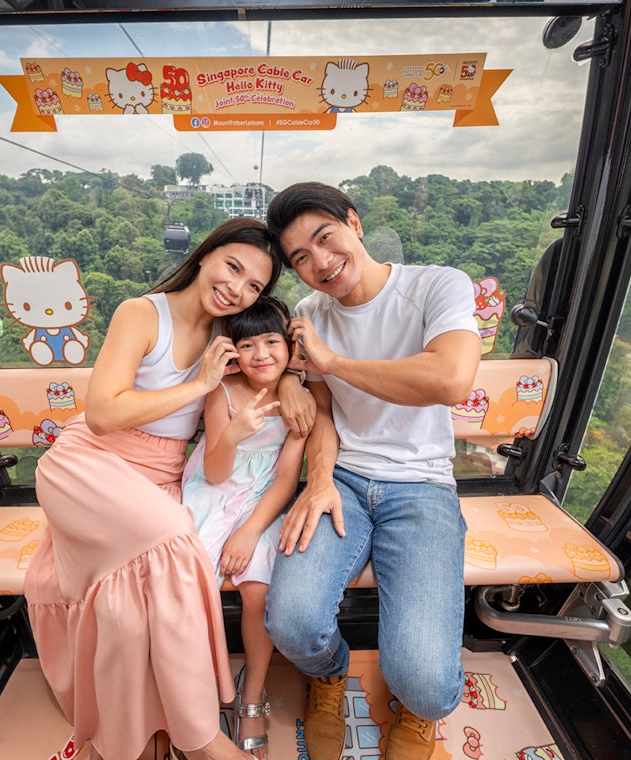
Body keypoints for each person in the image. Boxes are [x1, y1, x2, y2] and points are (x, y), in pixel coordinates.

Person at [24, 217, 312, 760]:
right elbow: (102, 413)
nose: (237, 288)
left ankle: (151, 724)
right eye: (232, 267)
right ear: (204, 256)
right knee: (176, 541)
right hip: (90, 462)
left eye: (253, 284)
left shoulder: (228, 330)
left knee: (136, 603)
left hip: (158, 473)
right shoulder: (142, 313)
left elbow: (270, 353)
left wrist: (294, 380)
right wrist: (199, 383)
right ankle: (201, 739)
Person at [262, 182, 482, 760]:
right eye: (300, 258)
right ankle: (330, 674)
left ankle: (417, 710)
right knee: (291, 622)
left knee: (427, 684)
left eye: (325, 237)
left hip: (422, 485)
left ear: (353, 222)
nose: (320, 262)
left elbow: (449, 379)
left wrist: (332, 362)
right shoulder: (310, 313)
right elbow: (324, 412)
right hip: (344, 478)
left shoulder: (437, 285)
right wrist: (319, 480)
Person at [181, 296, 308, 759]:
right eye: (248, 345)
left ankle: (251, 691)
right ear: (233, 350)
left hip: (263, 501)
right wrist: (234, 433)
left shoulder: (298, 401)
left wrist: (251, 530)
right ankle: (191, 689)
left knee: (257, 588)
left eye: (272, 342)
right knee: (190, 578)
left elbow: (287, 479)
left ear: (288, 345)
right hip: (215, 489)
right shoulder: (223, 391)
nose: (261, 355)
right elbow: (215, 473)